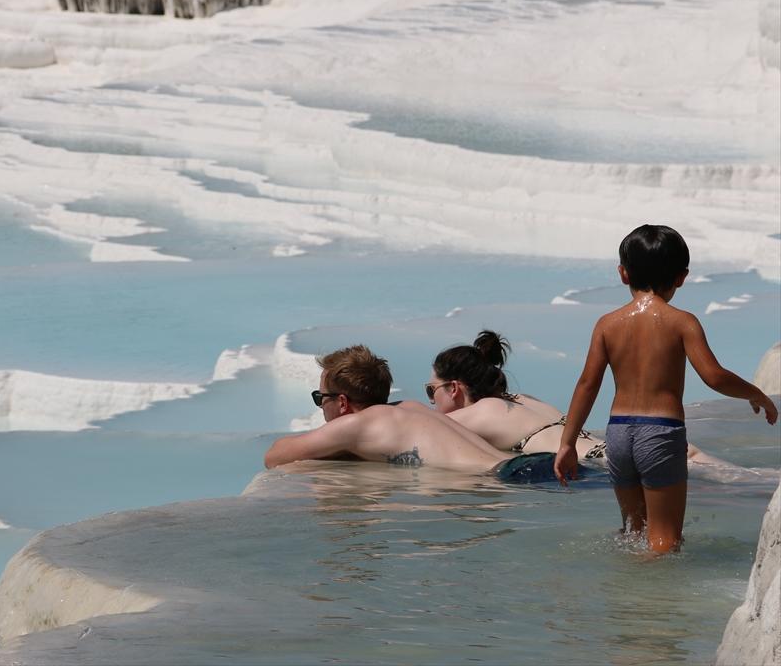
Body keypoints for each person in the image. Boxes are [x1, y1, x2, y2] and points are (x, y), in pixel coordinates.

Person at [553, 224, 777, 554]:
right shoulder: (682, 322)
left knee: (633, 532)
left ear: (623, 273)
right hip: (660, 432)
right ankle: (656, 606)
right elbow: (713, 376)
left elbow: (587, 385)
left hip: (618, 434)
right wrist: (755, 393)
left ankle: (626, 601)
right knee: (664, 542)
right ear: (681, 277)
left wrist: (567, 443)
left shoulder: (607, 324)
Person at [264, 344, 573, 483]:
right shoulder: (409, 408)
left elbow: (276, 456)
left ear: (343, 403)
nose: (321, 406)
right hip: (531, 467)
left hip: (515, 479)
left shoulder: (356, 425)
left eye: (321, 398)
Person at [428, 330, 735, 469]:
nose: (431, 402)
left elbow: (418, 431)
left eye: (432, 391)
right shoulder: (522, 399)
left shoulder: (478, 413)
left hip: (613, 464)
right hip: (638, 448)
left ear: (454, 388)